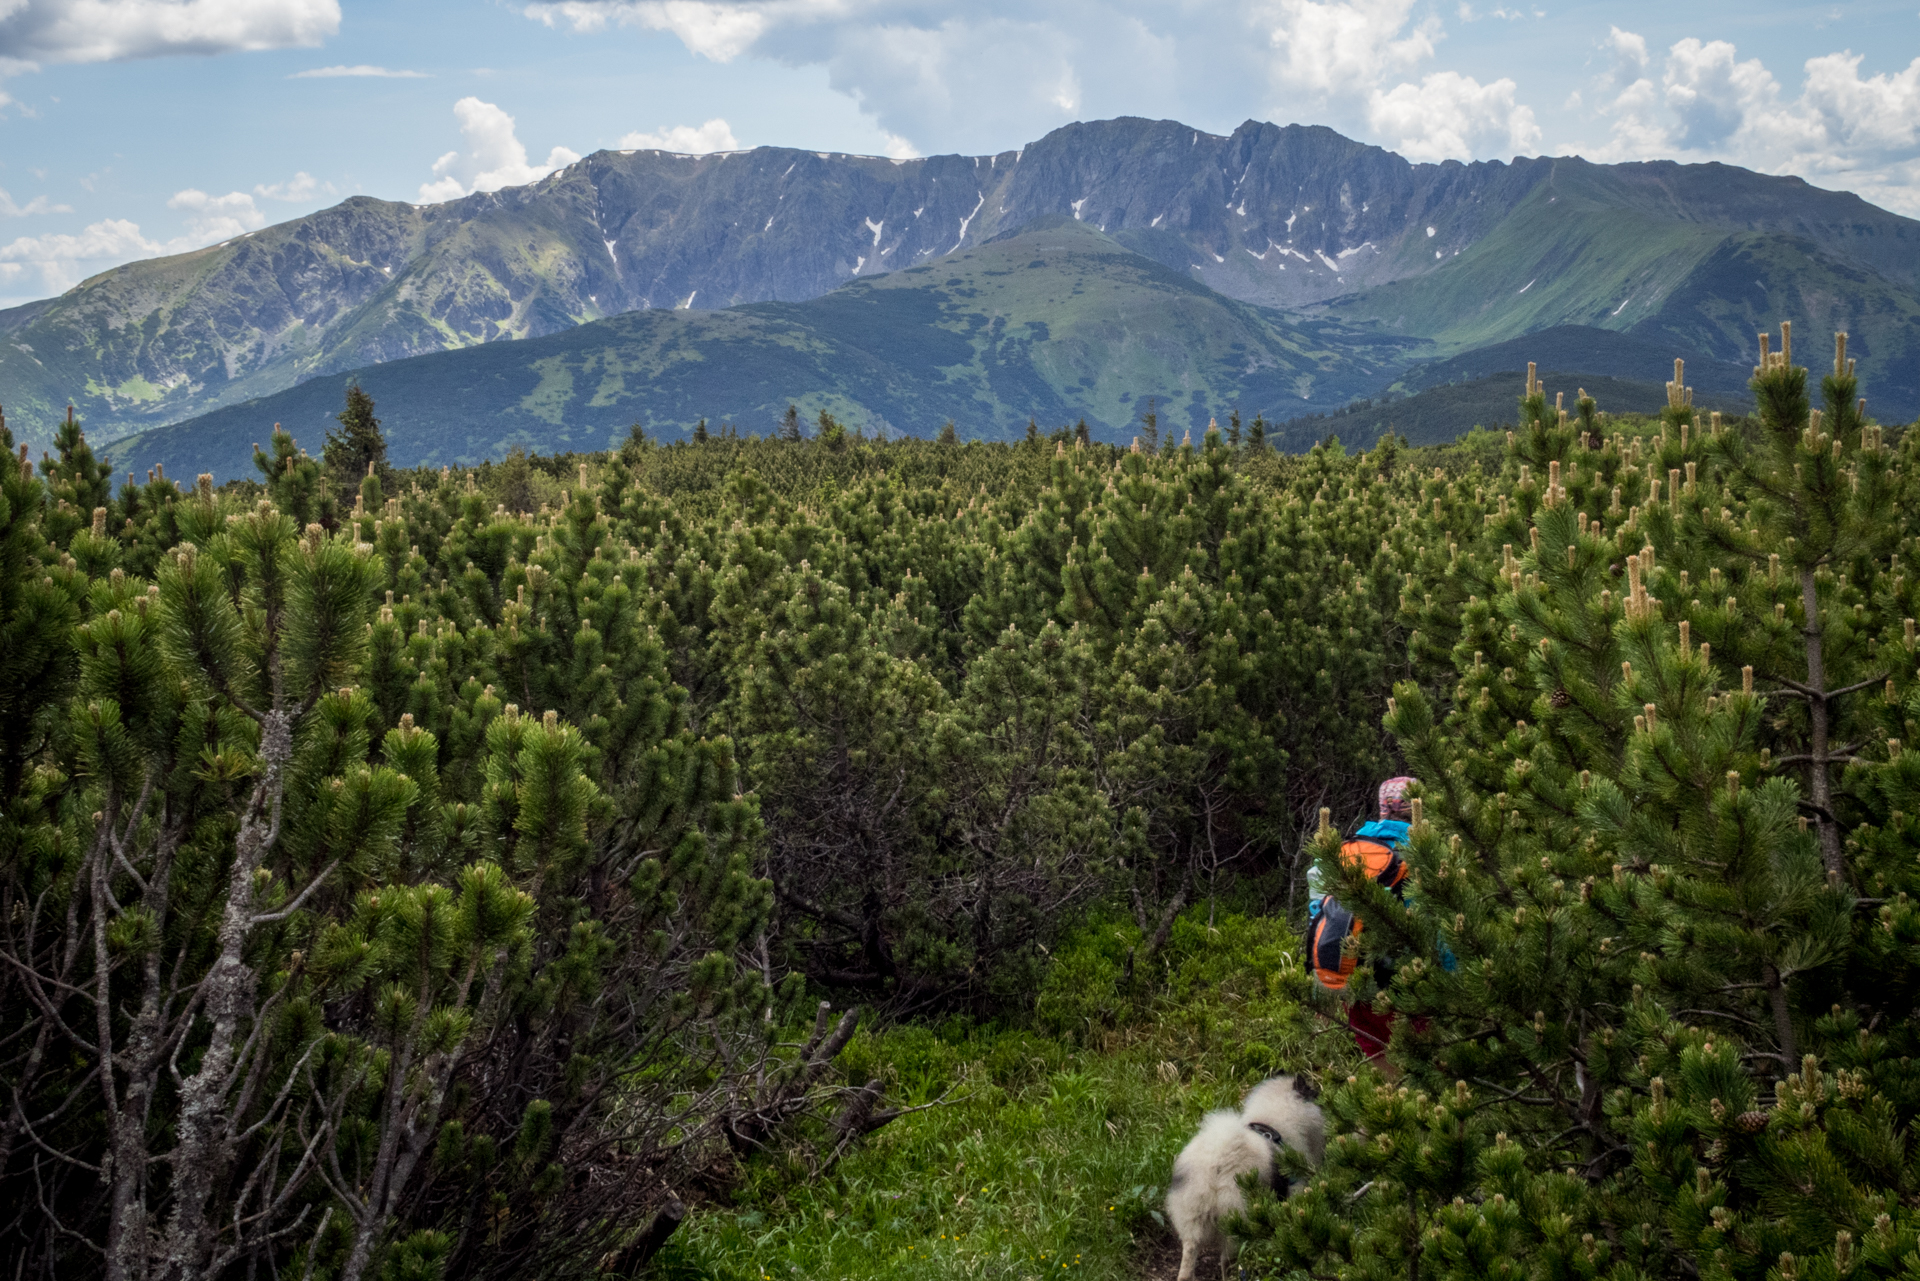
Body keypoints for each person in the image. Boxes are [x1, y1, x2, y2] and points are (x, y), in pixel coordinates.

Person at [1306, 777, 1416, 1065]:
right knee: (1429, 1079)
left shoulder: (1346, 850)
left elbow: (1318, 913)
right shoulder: (1418, 856)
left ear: (1381, 810)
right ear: (1418, 809)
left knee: (1387, 1081)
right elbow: (1436, 933)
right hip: (1409, 991)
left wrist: (1322, 986)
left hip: (1355, 987)